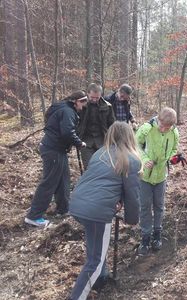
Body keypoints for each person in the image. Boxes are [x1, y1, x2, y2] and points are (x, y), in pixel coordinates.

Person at [68, 121, 141, 300]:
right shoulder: (131, 159)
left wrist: (116, 200)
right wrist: (132, 219)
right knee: (95, 260)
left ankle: (101, 277)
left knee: (95, 247)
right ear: (130, 136)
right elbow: (132, 194)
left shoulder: (100, 153)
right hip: (97, 210)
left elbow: (105, 182)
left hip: (78, 203)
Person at [24, 91, 88, 227]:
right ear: (76, 101)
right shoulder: (68, 111)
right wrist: (79, 143)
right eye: (82, 102)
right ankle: (33, 216)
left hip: (58, 150)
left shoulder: (64, 108)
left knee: (63, 180)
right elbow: (67, 132)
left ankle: (63, 209)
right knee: (49, 182)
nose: (84, 105)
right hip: (53, 150)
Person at [135, 107, 179, 256]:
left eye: (167, 127)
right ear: (158, 119)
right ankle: (145, 237)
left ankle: (157, 234)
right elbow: (135, 146)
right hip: (145, 176)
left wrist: (173, 158)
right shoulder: (146, 129)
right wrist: (145, 159)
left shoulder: (174, 132)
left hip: (161, 176)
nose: (163, 129)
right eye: (161, 125)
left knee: (159, 205)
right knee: (145, 206)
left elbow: (174, 148)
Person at [78, 83, 115, 169]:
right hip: (85, 141)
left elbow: (112, 124)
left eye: (97, 98)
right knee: (89, 166)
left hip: (102, 141)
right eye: (92, 97)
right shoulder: (81, 105)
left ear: (101, 95)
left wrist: (112, 139)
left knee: (103, 165)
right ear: (87, 94)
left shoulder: (107, 106)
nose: (94, 100)